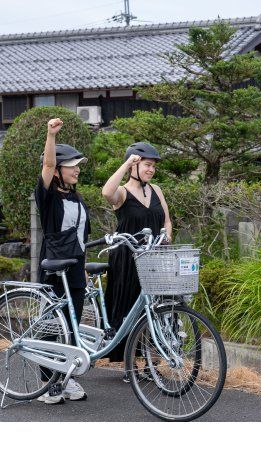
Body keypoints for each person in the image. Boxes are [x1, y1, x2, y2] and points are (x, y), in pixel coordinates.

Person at [101, 141, 173, 375]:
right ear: (134, 165)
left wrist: (167, 236)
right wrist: (125, 165)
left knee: (157, 309)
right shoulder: (122, 192)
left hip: (154, 258)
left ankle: (152, 364)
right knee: (129, 308)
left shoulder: (157, 190)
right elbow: (106, 192)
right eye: (147, 165)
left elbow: (167, 221)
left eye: (153, 166)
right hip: (127, 259)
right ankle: (130, 364)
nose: (151, 170)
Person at [34, 117, 90, 404]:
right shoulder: (49, 198)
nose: (77, 170)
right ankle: (47, 381)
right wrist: (50, 135)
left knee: (72, 326)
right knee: (51, 327)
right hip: (54, 268)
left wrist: (85, 266)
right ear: (58, 171)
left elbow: (82, 235)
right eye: (72, 166)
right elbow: (46, 165)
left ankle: (66, 378)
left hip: (76, 269)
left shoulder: (77, 197)